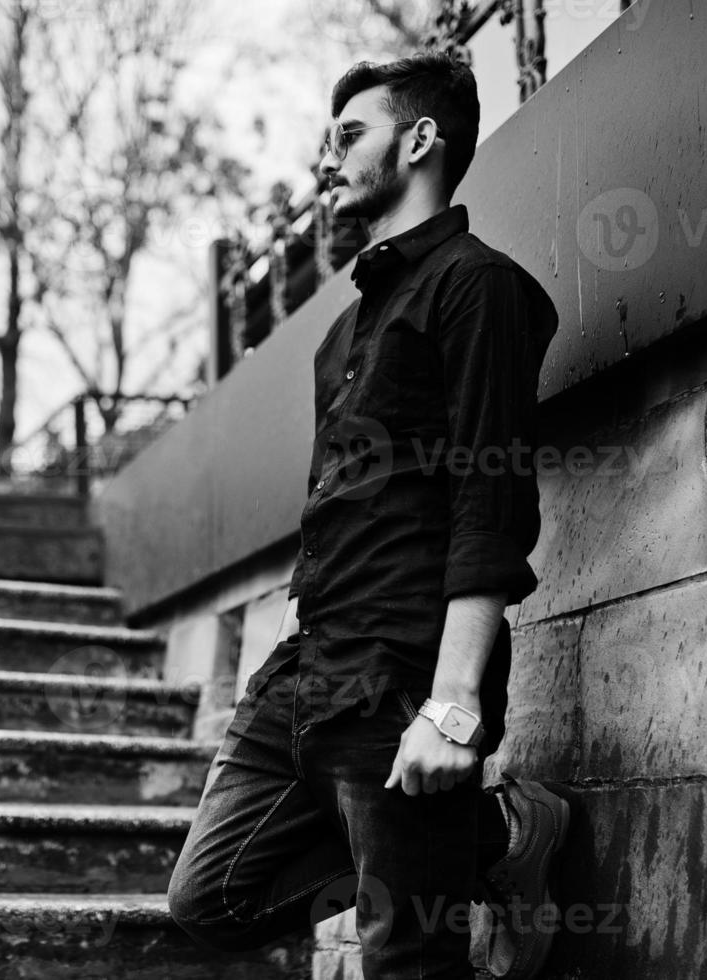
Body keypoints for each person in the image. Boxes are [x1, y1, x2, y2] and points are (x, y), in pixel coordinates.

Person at [167, 51, 572, 980]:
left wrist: (455, 706)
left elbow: (491, 497)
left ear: (420, 139)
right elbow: (330, 516)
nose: (325, 158)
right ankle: (492, 834)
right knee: (211, 897)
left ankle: (460, 837)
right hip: (306, 669)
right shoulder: (338, 338)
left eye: (350, 135)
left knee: (406, 959)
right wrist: (281, 655)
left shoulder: (478, 286)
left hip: (397, 674)